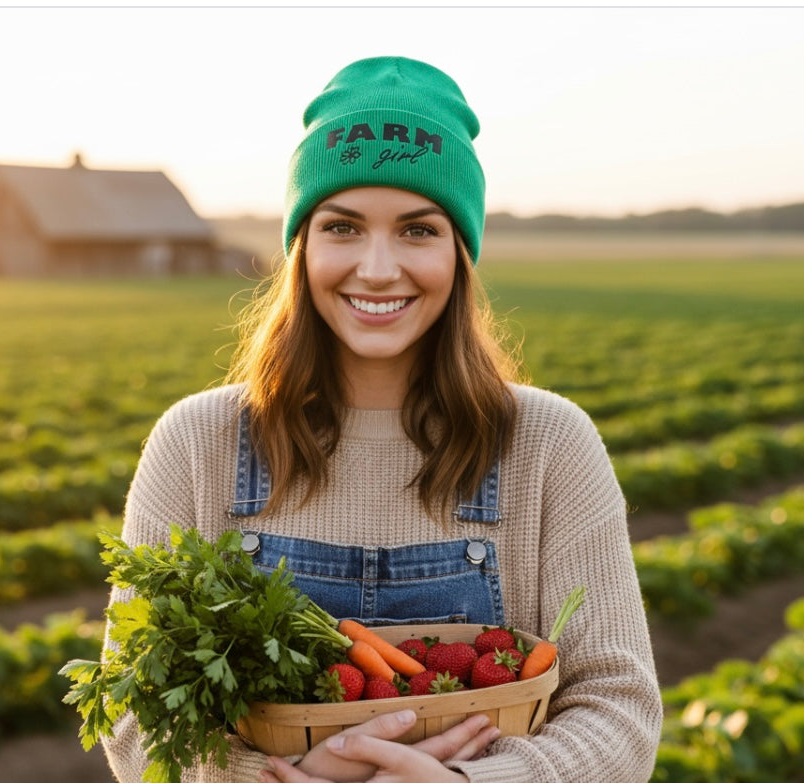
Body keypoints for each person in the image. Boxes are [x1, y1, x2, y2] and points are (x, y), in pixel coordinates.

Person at [102, 56, 662, 783]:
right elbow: (134, 712)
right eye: (342, 226)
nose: (375, 267)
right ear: (303, 245)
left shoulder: (548, 444)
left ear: (460, 253)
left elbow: (619, 711)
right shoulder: (199, 445)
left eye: (417, 230)